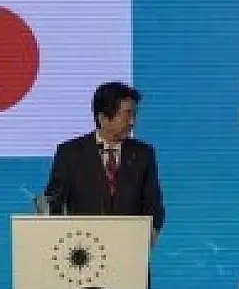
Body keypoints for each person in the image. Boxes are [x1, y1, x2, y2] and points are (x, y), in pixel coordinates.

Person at [44, 81, 165, 242]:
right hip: (84, 248)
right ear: (103, 118)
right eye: (127, 114)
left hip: (130, 248)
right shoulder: (70, 153)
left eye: (134, 115)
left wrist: (147, 238)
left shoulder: (143, 154)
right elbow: (53, 204)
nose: (132, 122)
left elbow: (154, 205)